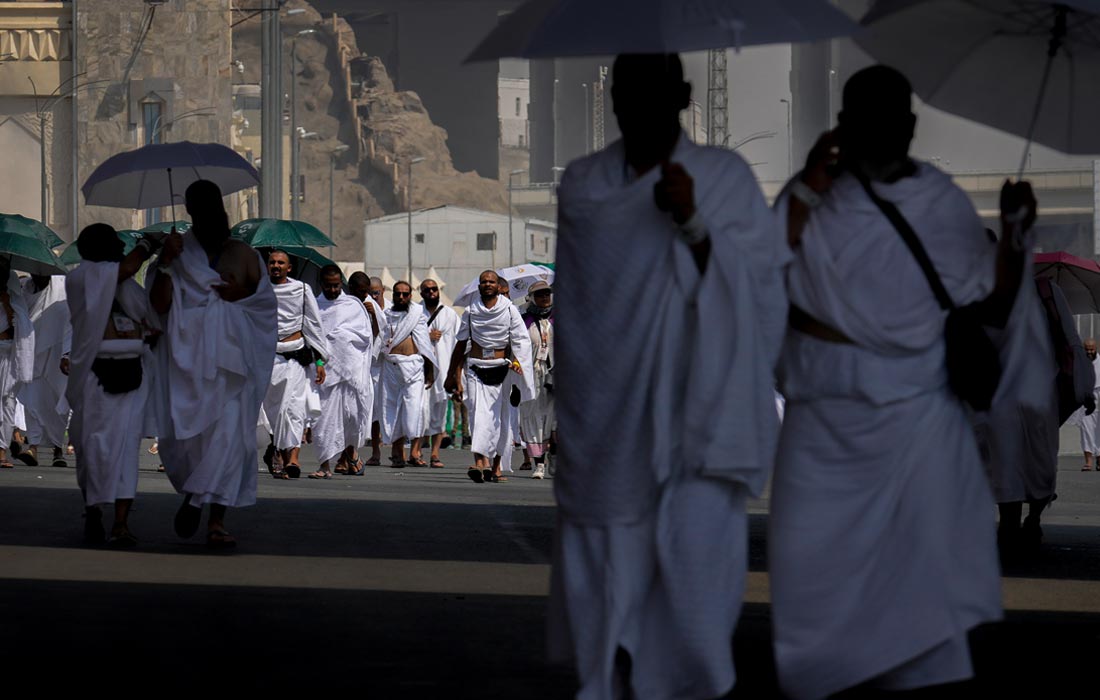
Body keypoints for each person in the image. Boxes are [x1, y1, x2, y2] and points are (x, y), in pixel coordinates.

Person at [769, 65, 1039, 698]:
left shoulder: (941, 201)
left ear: (911, 127)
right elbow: (757, 275)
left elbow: (991, 308)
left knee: (920, 599)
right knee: (816, 588)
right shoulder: (808, 196)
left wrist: (1014, 236)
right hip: (826, 423)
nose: (881, 133)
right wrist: (807, 188)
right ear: (843, 125)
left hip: (919, 422)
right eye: (866, 121)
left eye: (890, 121)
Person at [546, 53, 788, 699]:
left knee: (693, 596)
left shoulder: (724, 177)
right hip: (607, 421)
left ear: (682, 96)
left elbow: (762, 292)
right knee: (608, 591)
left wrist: (694, 222)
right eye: (629, 94)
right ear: (612, 99)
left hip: (699, 422)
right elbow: (583, 311)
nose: (641, 108)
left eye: (655, 95)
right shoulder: (586, 184)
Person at [150, 179, 277, 549]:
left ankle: (213, 517)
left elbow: (264, 305)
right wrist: (166, 262)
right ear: (190, 210)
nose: (207, 213)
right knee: (187, 444)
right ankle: (196, 490)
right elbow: (159, 305)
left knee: (232, 439)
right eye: (200, 206)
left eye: (212, 205)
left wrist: (240, 294)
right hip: (186, 361)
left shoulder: (243, 253)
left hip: (233, 362)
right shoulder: (176, 251)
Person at [979, 276, 1094, 558]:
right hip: (999, 396)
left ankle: (1032, 519)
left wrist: (1083, 385)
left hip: (1041, 393)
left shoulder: (1046, 291)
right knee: (1006, 462)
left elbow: (1070, 339)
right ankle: (1009, 526)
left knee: (1040, 464)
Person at [64, 224, 160, 546]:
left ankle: (120, 524)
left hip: (132, 376)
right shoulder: (82, 278)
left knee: (126, 451)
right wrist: (148, 244)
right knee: (93, 448)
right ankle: (93, 509)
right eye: (115, 245)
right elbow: (127, 268)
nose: (121, 250)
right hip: (95, 377)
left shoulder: (129, 288)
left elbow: (152, 320)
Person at [260, 250, 329, 479]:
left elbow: (314, 325)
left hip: (295, 357)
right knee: (274, 412)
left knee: (294, 408)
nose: (276, 266)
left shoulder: (302, 289)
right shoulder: (259, 289)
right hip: (268, 358)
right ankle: (279, 452)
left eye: (281, 263)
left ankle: (294, 459)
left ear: (289, 268)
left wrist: (319, 360)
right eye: (272, 262)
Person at [310, 265, 372, 479]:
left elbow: (366, 337)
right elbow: (313, 338)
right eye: (328, 286)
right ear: (321, 284)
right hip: (324, 373)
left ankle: (352, 454)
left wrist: (341, 337)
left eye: (336, 285)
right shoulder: (314, 306)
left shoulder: (353, 305)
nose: (333, 290)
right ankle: (324, 465)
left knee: (352, 416)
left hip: (350, 372)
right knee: (323, 421)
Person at [379, 281, 437, 466]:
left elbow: (425, 345)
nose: (401, 297)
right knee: (392, 410)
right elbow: (380, 340)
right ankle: (397, 453)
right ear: (393, 295)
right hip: (392, 367)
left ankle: (415, 452)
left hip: (413, 367)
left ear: (411, 296)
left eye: (405, 294)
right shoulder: (386, 315)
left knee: (415, 409)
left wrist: (430, 371)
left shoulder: (417, 315)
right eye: (398, 294)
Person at [19, 274, 70, 467]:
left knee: (56, 402)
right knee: (33, 401)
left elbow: (69, 320)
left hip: (56, 354)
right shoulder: (24, 289)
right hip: (31, 353)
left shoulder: (63, 287)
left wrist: (67, 353)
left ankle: (58, 449)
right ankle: (33, 447)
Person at [410, 278, 460, 468]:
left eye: (434, 289)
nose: (431, 292)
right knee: (419, 411)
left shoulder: (449, 314)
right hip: (419, 371)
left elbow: (459, 343)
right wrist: (426, 336)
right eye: (427, 290)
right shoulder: (415, 313)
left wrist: (456, 376)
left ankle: (435, 454)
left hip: (443, 371)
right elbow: (405, 337)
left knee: (439, 412)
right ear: (421, 293)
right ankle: (415, 451)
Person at [519, 281, 555, 479]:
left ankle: (554, 454)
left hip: (557, 376)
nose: (544, 298)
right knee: (534, 419)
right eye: (539, 295)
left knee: (556, 419)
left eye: (547, 294)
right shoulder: (523, 322)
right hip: (532, 376)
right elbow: (515, 348)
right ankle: (539, 463)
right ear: (531, 298)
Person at [0, 258, 33, 469]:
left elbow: (20, 329)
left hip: (6, 357)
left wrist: (6, 303)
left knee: (6, 404)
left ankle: (1, 452)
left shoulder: (13, 301)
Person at [1071, 338, 1100, 471]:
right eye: (1087, 349)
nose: (1089, 352)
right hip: (1086, 397)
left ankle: (1099, 459)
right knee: (1086, 429)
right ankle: (1088, 461)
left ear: (1096, 348)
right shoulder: (1080, 362)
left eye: (1091, 349)